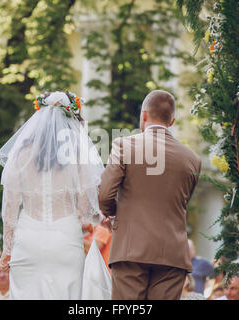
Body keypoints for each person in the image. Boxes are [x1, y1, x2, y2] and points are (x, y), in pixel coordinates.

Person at [0, 91, 109, 299]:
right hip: (65, 239)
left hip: (28, 238)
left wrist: (7, 248)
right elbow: (87, 208)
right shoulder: (76, 152)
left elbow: (10, 210)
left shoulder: (20, 153)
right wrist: (99, 219)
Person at [99, 90, 202, 300]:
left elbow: (105, 195)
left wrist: (114, 214)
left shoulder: (124, 145)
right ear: (172, 121)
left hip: (131, 248)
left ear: (143, 115)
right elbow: (182, 200)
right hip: (172, 254)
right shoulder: (192, 159)